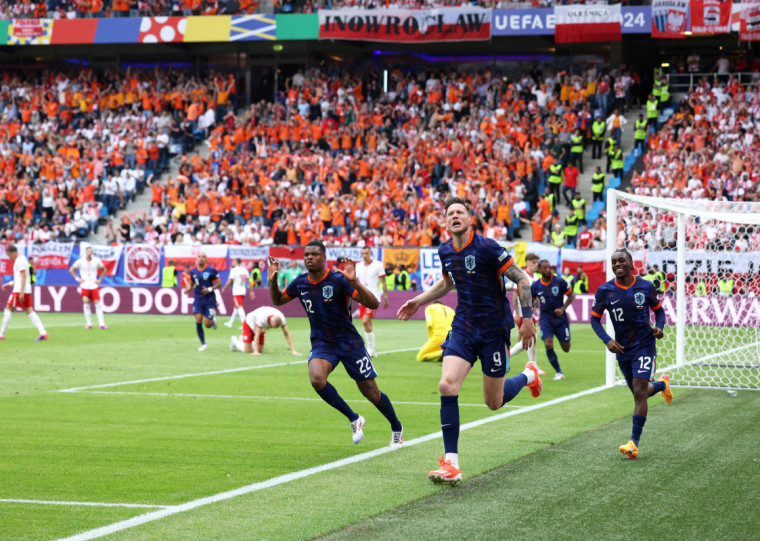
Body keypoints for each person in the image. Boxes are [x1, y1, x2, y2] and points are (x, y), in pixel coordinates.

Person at [397, 197, 540, 484]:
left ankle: (529, 375)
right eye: (450, 213)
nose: (455, 216)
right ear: (445, 221)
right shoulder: (445, 250)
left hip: (494, 331)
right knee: (446, 384)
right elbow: (448, 282)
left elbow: (521, 278)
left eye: (460, 212)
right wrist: (417, 300)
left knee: (494, 401)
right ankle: (452, 463)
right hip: (463, 327)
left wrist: (526, 318)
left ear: (470, 219)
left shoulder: (487, 247)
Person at [268, 240, 404, 449]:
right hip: (323, 344)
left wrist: (355, 282)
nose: (309, 258)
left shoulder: (339, 280)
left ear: (324, 257)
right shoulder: (300, 282)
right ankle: (354, 418)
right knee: (317, 379)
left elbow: (373, 304)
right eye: (307, 255)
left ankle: (396, 427)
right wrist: (273, 279)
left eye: (314, 254)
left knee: (371, 393)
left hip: (350, 343)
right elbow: (278, 300)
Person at [590, 249, 673, 459]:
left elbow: (659, 311)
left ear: (631, 263)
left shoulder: (645, 286)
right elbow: (594, 319)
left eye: (621, 260)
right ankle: (662, 385)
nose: (617, 264)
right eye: (614, 261)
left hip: (644, 346)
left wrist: (660, 327)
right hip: (622, 349)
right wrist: (607, 340)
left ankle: (633, 443)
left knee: (638, 391)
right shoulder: (605, 290)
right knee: (641, 393)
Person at [531, 259, 575, 381]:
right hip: (545, 319)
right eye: (544, 268)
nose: (547, 270)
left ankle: (559, 368)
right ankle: (558, 372)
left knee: (566, 348)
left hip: (560, 318)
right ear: (539, 270)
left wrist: (563, 308)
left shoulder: (559, 281)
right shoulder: (535, 286)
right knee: (548, 343)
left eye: (549, 267)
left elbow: (571, 295)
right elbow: (530, 300)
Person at [0, 244, 48, 341]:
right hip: (23, 290)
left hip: (19, 291)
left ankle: (1, 334)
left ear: (13, 252)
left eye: (9, 254)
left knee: (8, 309)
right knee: (29, 311)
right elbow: (20, 278)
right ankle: (43, 333)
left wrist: (21, 292)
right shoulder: (21, 259)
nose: (9, 257)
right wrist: (9, 283)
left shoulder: (20, 260)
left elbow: (23, 277)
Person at [509, 253, 547, 375]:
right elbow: (515, 296)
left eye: (537, 262)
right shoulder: (522, 276)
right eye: (534, 262)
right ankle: (531, 365)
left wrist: (539, 313)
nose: (537, 265)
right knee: (530, 339)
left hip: (529, 314)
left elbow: (535, 300)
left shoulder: (534, 278)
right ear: (527, 262)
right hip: (522, 314)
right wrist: (517, 313)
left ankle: (531, 365)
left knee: (531, 340)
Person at [355, 246, 389, 357]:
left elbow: (383, 282)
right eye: (362, 253)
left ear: (370, 253)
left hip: (373, 299)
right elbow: (355, 282)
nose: (364, 255)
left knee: (365, 321)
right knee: (367, 324)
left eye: (366, 253)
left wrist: (385, 297)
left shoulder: (378, 265)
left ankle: (370, 349)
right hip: (362, 299)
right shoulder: (358, 266)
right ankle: (372, 350)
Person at [184, 252, 221, 352]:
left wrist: (209, 289)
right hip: (198, 299)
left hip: (210, 299)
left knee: (207, 325)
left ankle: (212, 321)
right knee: (198, 319)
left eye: (203, 257)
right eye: (199, 257)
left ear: (206, 259)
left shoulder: (211, 270)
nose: (201, 259)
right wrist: (188, 289)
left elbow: (219, 283)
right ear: (197, 259)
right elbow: (192, 284)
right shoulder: (193, 271)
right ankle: (203, 344)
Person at [229, 306, 300, 356]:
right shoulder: (262, 318)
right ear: (270, 321)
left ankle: (245, 340)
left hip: (261, 328)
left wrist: (293, 350)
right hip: (249, 324)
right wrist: (255, 352)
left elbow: (286, 334)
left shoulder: (281, 318)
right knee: (247, 351)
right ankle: (234, 340)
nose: (270, 328)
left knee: (261, 350)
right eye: (271, 326)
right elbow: (257, 334)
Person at [69, 245, 108, 330]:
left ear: (92, 252)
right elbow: (71, 269)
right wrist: (77, 278)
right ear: (85, 252)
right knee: (86, 305)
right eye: (88, 251)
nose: (89, 252)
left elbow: (104, 269)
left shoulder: (96, 261)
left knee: (98, 305)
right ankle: (89, 324)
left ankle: (101, 324)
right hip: (84, 286)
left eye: (90, 251)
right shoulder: (80, 261)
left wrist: (100, 279)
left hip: (94, 286)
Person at [223, 258, 253, 328]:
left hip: (237, 291)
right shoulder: (244, 270)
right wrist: (251, 291)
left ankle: (245, 324)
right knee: (236, 308)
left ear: (236, 262)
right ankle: (230, 323)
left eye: (234, 261)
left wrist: (224, 288)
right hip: (243, 290)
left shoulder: (234, 270)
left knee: (239, 307)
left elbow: (229, 281)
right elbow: (249, 281)